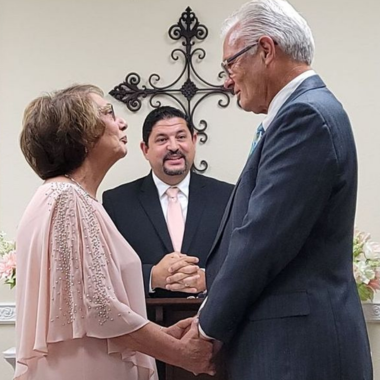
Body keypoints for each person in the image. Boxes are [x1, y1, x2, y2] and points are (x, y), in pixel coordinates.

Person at [196, 1, 373, 379]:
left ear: (265, 49)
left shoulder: (304, 116)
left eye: (230, 63)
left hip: (296, 351)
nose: (227, 80)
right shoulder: (304, 112)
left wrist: (204, 330)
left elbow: (261, 239)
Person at [15, 84, 214, 380]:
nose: (122, 122)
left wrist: (164, 335)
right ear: (80, 133)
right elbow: (98, 309)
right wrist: (181, 353)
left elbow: (90, 307)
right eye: (108, 113)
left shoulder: (71, 198)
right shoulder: (66, 199)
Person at [103, 106, 233, 298]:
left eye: (181, 137)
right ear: (145, 149)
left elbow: (242, 260)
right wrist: (152, 276)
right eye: (162, 139)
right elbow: (106, 270)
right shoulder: (117, 202)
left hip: (213, 320)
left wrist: (208, 278)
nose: (173, 147)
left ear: (194, 141)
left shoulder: (227, 196)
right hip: (147, 321)